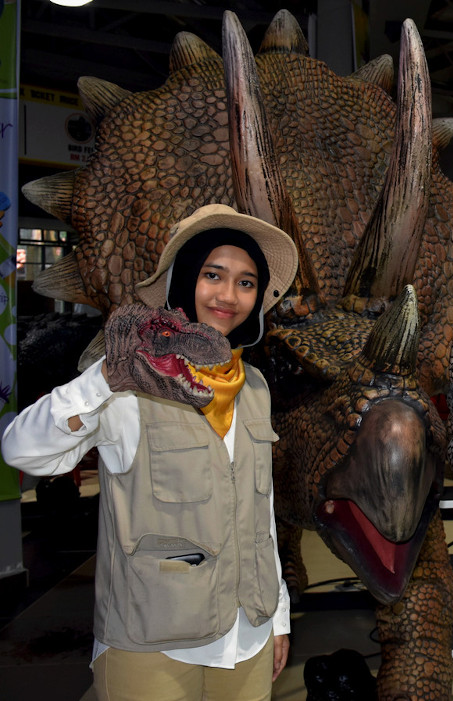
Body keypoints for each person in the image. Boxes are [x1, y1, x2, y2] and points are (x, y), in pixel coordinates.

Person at [2, 204, 299, 700]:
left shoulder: (255, 389)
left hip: (248, 636)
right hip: (152, 646)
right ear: (184, 280)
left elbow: (259, 515)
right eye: (213, 275)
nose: (229, 296)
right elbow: (22, 451)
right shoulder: (126, 381)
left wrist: (279, 615)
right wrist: (104, 380)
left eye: (247, 282)